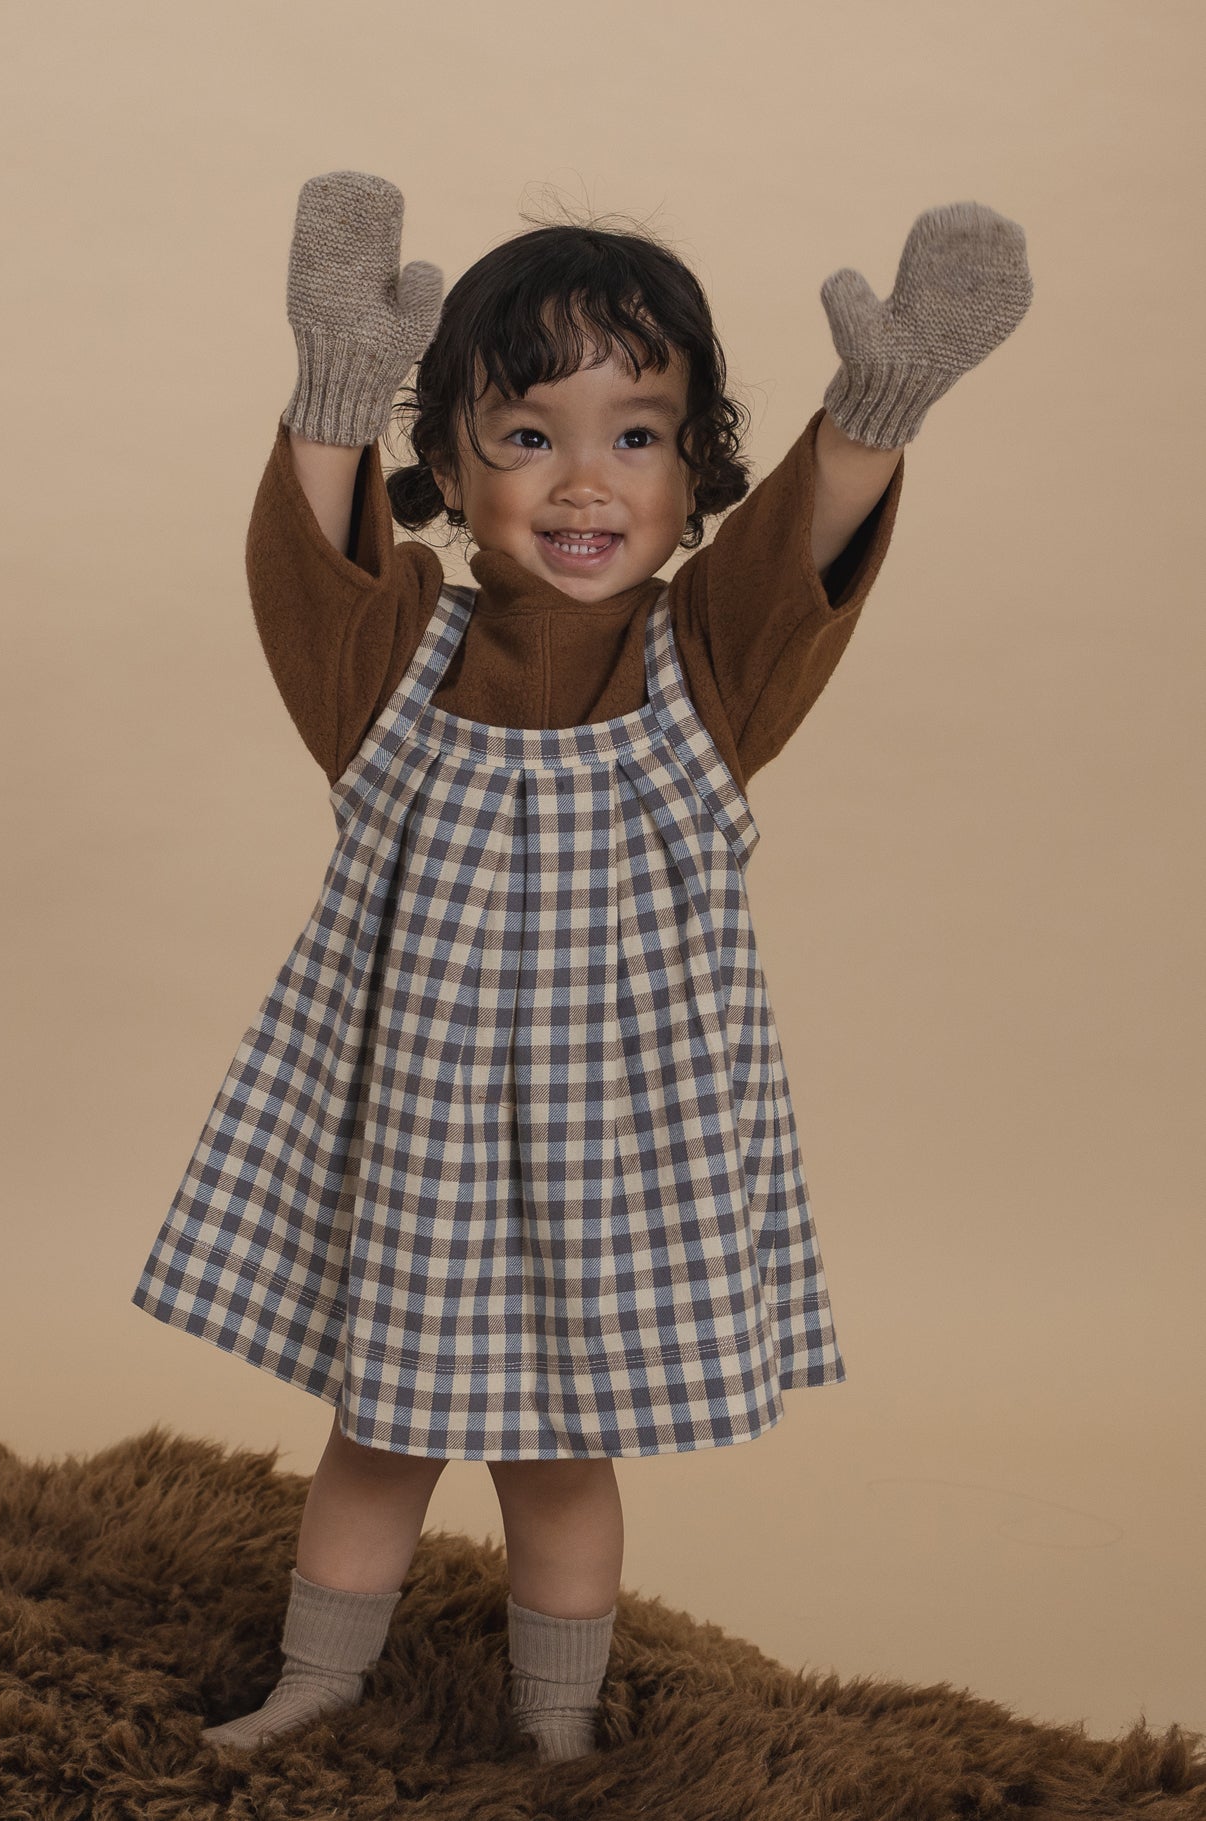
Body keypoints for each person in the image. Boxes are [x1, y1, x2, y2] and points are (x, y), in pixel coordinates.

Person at [131, 170, 1033, 1764]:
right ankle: (317, 1681)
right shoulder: (393, 664)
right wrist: (332, 381)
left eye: (635, 434)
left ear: (695, 476)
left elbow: (795, 553)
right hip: (414, 1148)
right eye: (526, 433)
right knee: (374, 1432)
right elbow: (311, 571)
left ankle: (559, 1726)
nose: (581, 480)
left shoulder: (704, 670)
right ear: (449, 469)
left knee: (558, 1459)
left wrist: (879, 406)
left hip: (611, 1159)